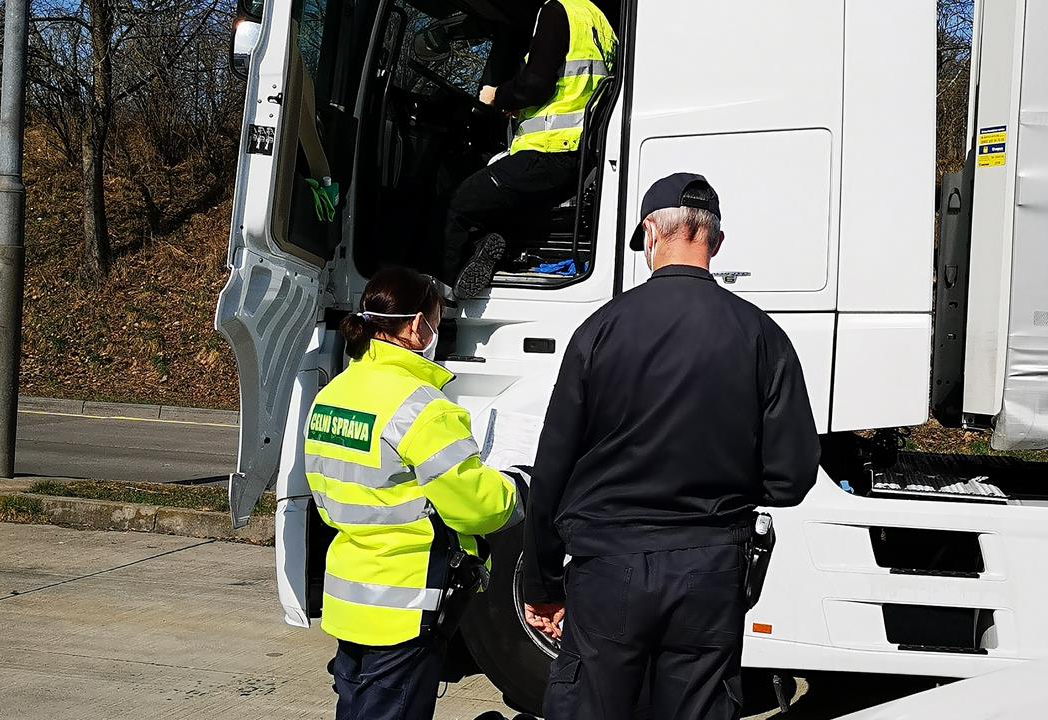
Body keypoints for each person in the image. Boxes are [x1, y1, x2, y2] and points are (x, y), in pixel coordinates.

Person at [522, 174, 821, 719]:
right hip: (711, 565)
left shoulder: (600, 330)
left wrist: (543, 581)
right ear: (717, 242)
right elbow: (792, 476)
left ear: (650, 233)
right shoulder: (762, 336)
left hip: (607, 563)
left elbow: (552, 467)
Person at [304, 267, 524, 720]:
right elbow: (477, 507)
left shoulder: (332, 394)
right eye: (439, 322)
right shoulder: (422, 407)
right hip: (405, 604)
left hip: (350, 598)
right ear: (416, 327)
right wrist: (517, 486)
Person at [443, 0, 617, 300]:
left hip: (548, 150)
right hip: (578, 155)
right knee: (502, 201)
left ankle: (445, 302)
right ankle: (494, 253)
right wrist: (518, 104)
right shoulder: (601, 24)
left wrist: (498, 96)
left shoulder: (557, 10)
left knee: (462, 203)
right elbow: (573, 89)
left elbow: (535, 83)